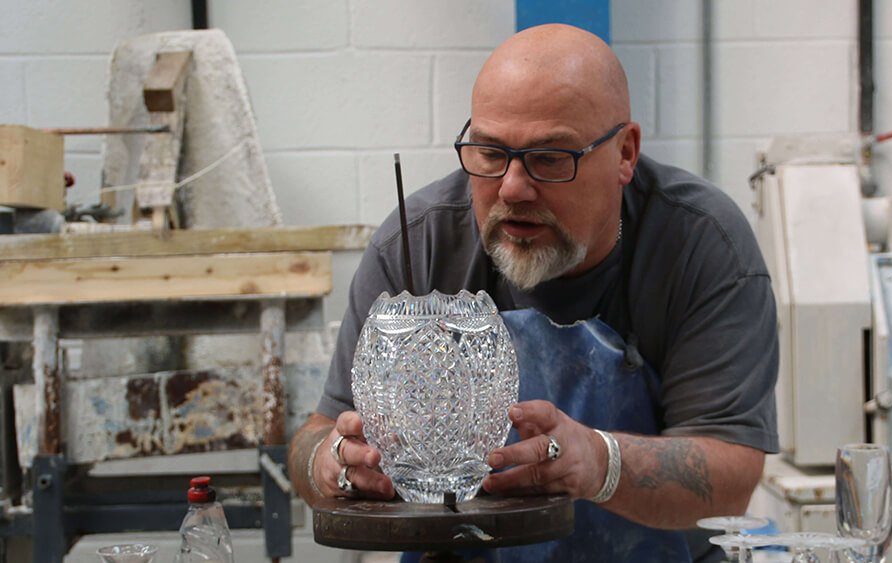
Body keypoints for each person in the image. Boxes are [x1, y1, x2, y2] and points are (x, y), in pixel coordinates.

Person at [290, 23, 778, 562]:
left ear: (625, 153)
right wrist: (333, 462)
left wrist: (600, 461)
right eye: (489, 152)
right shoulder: (418, 244)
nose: (513, 188)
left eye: (550, 158)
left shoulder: (700, 244)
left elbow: (732, 476)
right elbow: (312, 440)